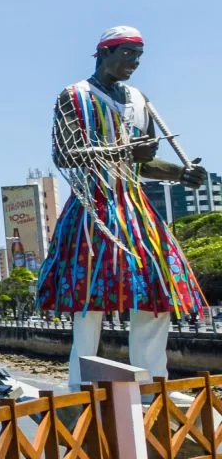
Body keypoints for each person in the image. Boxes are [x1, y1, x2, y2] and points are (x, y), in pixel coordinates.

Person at [37, 26, 207, 389]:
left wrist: (180, 174)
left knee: (156, 288)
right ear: (104, 52)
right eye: (127, 54)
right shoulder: (74, 95)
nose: (134, 63)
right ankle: (82, 387)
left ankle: (151, 383)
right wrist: (126, 151)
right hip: (93, 208)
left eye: (138, 56)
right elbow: (65, 153)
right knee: (88, 300)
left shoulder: (138, 99)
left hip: (134, 206)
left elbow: (144, 163)